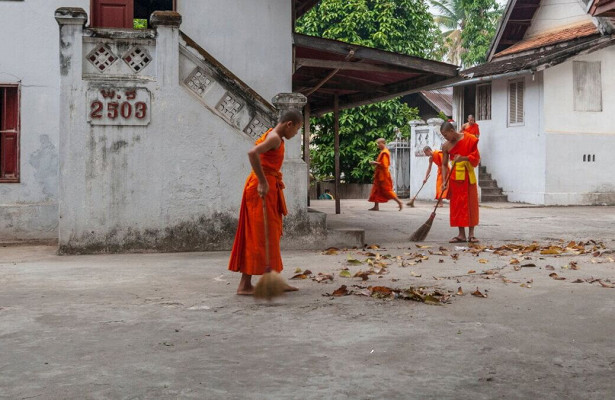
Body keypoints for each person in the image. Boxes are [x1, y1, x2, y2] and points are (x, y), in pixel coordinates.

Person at [228, 110, 303, 295]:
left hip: (268, 187)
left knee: (271, 233)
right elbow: (252, 153)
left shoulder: (274, 135)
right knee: (258, 235)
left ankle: (275, 279)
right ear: (289, 124)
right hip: (261, 188)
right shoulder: (274, 138)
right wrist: (262, 181)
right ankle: (244, 285)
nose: (295, 134)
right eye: (297, 129)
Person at [440, 121, 480, 243]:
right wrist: (443, 181)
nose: (445, 138)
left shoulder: (470, 139)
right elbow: (444, 164)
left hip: (468, 176)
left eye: (446, 135)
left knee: (470, 203)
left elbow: (476, 157)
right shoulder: (446, 146)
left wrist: (464, 158)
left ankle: (471, 234)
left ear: (452, 131)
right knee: (457, 205)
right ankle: (461, 234)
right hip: (455, 178)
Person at [368, 138, 403, 211]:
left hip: (383, 176)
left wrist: (375, 163)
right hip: (379, 175)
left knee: (387, 190)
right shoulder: (382, 152)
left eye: (378, 143)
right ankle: (376, 206)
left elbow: (384, 165)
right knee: (376, 190)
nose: (377, 145)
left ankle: (399, 202)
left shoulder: (385, 152)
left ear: (382, 143)